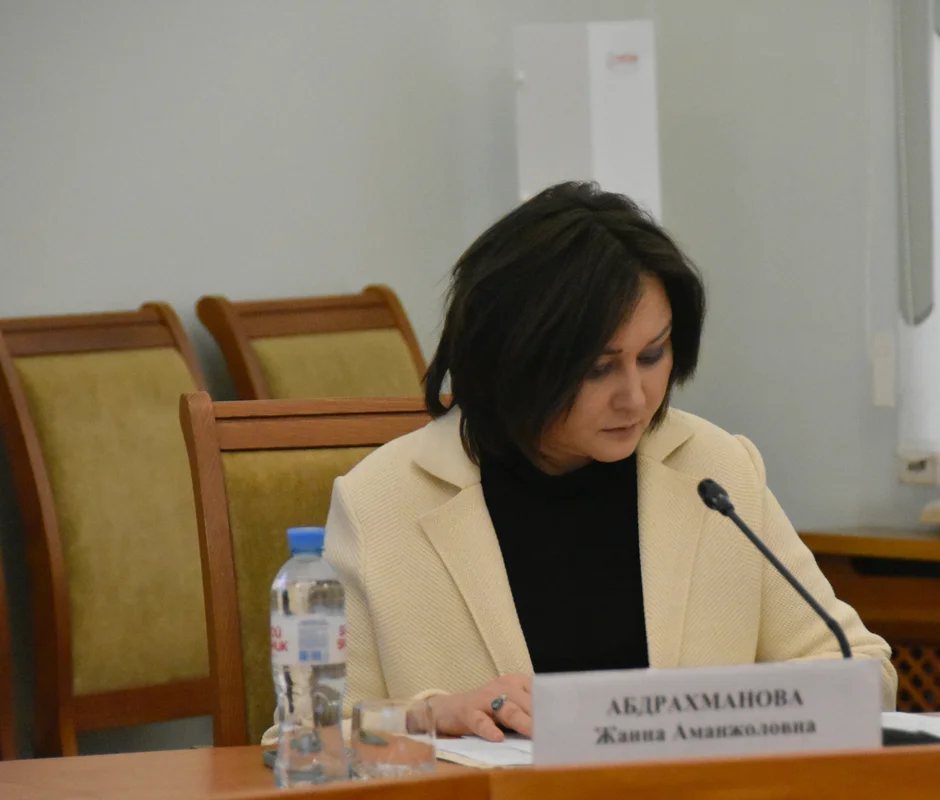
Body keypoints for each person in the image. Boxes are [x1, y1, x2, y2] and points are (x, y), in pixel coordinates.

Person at [324, 182, 896, 743]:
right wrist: (430, 717)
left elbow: (864, 672)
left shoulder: (714, 470)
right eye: (599, 368)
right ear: (514, 358)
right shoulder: (381, 501)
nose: (635, 397)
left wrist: (711, 714)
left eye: (652, 355)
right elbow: (312, 737)